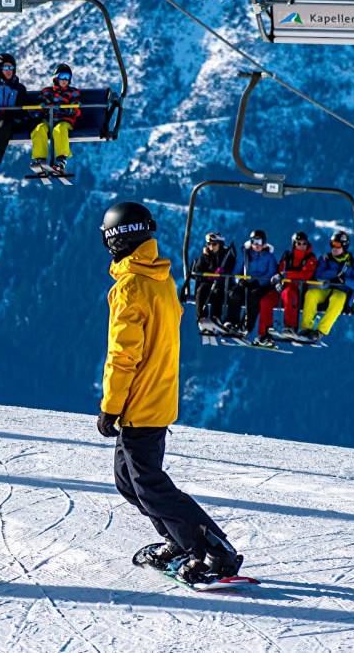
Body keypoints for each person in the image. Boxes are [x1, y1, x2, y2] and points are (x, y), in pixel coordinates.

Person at [98, 201, 243, 586]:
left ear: (115, 240)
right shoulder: (160, 279)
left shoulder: (131, 286)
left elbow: (122, 354)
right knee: (129, 482)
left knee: (149, 485)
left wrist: (110, 406)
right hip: (158, 395)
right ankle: (181, 541)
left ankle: (213, 549)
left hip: (139, 402)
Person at [296, 230, 354, 344]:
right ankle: (306, 328)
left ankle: (320, 331)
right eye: (332, 244)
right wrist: (335, 273)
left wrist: (345, 280)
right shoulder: (326, 259)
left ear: (344, 246)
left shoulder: (352, 263)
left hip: (341, 292)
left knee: (337, 299)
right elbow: (319, 275)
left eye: (337, 245)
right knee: (311, 295)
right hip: (326, 290)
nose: (334, 248)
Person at [30, 63, 80, 175]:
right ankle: (40, 160)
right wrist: (41, 108)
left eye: (67, 77)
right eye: (62, 76)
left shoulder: (73, 92)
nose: (64, 80)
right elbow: (40, 105)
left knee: (59, 130)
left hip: (64, 120)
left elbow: (75, 107)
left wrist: (66, 109)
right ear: (56, 78)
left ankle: (61, 161)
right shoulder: (47, 91)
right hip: (48, 120)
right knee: (39, 129)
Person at [270, 231, 317, 338]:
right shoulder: (287, 256)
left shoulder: (310, 258)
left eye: (304, 243)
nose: (302, 246)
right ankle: (263, 331)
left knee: (290, 294)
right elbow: (280, 269)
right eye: (298, 243)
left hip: (302, 288)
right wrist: (279, 281)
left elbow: (305, 275)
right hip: (286, 286)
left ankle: (290, 326)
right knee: (266, 299)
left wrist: (285, 275)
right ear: (294, 244)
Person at [238, 230, 280, 345]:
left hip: (264, 286)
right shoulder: (246, 255)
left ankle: (247, 327)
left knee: (254, 297)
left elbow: (271, 273)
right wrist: (240, 280)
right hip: (250, 285)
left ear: (264, 243)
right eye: (253, 241)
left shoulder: (269, 257)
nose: (256, 244)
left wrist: (257, 281)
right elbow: (237, 269)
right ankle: (236, 325)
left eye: (259, 241)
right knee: (237, 294)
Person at [191, 233, 236, 329]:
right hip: (208, 283)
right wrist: (208, 276)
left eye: (214, 244)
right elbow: (197, 271)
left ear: (220, 244)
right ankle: (202, 317)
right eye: (209, 244)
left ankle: (215, 317)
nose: (211, 247)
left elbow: (231, 268)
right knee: (201, 291)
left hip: (223, 285)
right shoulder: (205, 256)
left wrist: (223, 273)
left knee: (218, 292)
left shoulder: (227, 255)